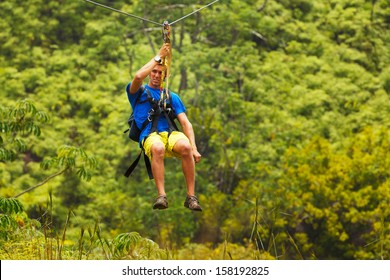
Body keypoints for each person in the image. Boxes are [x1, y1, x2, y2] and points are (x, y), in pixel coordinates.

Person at [126, 43, 202, 211]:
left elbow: (185, 123)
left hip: (169, 133)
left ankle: (191, 197)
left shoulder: (170, 96)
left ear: (165, 76)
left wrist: (194, 148)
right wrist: (159, 56)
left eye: (160, 73)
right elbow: (138, 77)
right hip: (150, 135)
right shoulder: (138, 93)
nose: (156, 75)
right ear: (150, 72)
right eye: (154, 71)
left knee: (185, 146)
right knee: (158, 148)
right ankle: (161, 196)